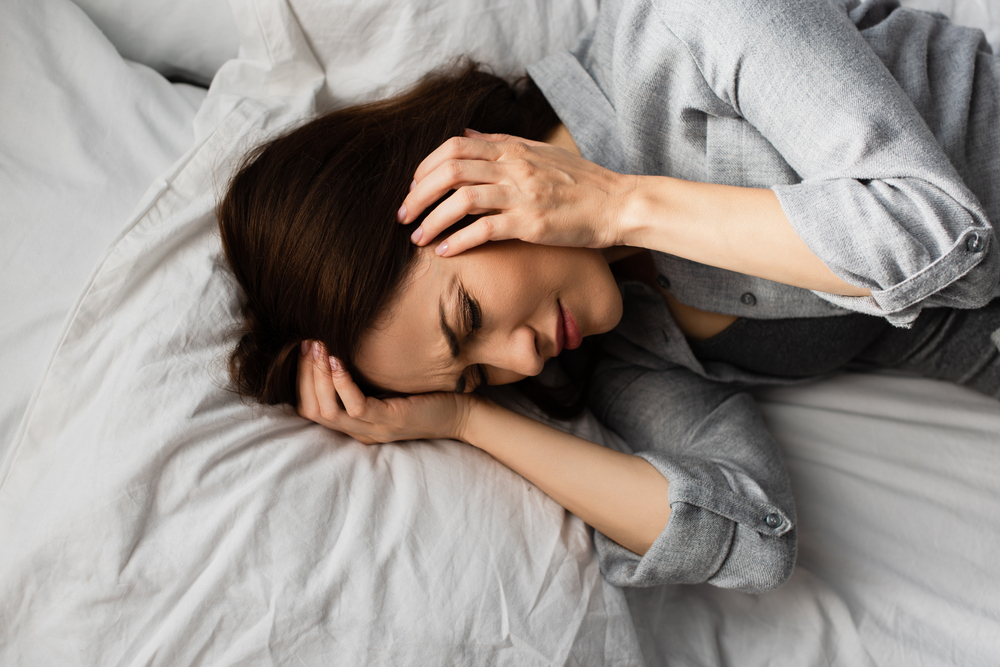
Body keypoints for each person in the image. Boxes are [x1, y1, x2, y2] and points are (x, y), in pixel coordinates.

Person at [217, 0, 1000, 592]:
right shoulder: (615, 336)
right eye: (476, 373)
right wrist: (463, 419)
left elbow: (942, 233)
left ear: (454, 177)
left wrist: (620, 205)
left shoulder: (683, 30)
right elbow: (753, 535)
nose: (517, 357)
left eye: (468, 318)